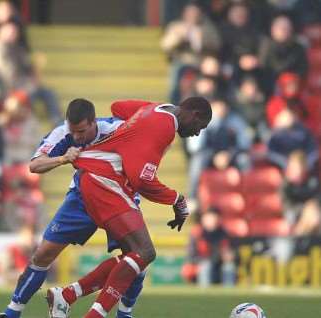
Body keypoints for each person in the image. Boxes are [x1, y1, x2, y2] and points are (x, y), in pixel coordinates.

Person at [47, 97, 212, 318]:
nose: (197, 133)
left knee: (133, 258)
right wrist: (177, 200)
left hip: (95, 178)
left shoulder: (154, 109)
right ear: (195, 115)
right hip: (104, 179)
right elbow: (141, 180)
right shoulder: (164, 126)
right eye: (200, 127)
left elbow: (117, 106)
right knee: (145, 252)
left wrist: (133, 133)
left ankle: (67, 295)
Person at [0, 98, 145, 318]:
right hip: (82, 199)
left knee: (138, 257)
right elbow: (34, 165)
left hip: (119, 198)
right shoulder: (63, 133)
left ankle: (124, 314)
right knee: (43, 254)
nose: (77, 137)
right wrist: (63, 158)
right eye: (73, 131)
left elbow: (149, 139)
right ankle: (12, 312)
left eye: (82, 131)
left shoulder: (117, 130)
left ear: (94, 122)